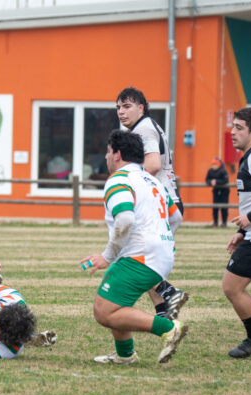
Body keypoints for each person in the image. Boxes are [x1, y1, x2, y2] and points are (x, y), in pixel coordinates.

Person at [80, 130, 187, 365]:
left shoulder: (119, 179)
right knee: (118, 304)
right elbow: (176, 217)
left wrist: (107, 256)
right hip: (159, 254)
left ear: (117, 154)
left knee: (104, 311)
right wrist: (161, 240)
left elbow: (125, 219)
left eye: (108, 152)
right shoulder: (153, 181)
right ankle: (125, 355)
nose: (107, 157)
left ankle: (169, 329)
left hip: (141, 255)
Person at [116, 87, 188, 320]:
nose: (121, 112)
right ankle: (164, 311)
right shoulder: (146, 126)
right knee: (142, 259)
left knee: (136, 258)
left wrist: (125, 178)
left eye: (127, 106)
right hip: (164, 204)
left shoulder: (144, 128)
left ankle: (170, 295)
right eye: (118, 107)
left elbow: (154, 163)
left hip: (161, 205)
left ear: (141, 108)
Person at [221, 107, 251, 358]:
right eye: (232, 126)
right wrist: (242, 231)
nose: (232, 132)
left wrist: (249, 219)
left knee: (231, 286)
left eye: (239, 128)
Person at [206, 157, 230, 227]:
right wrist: (210, 182)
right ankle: (215, 222)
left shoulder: (223, 171)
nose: (213, 166)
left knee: (224, 207)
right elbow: (207, 179)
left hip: (224, 191)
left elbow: (225, 180)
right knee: (215, 207)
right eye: (212, 164)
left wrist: (216, 182)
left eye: (215, 164)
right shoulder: (210, 171)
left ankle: (224, 223)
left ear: (219, 165)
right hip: (216, 191)